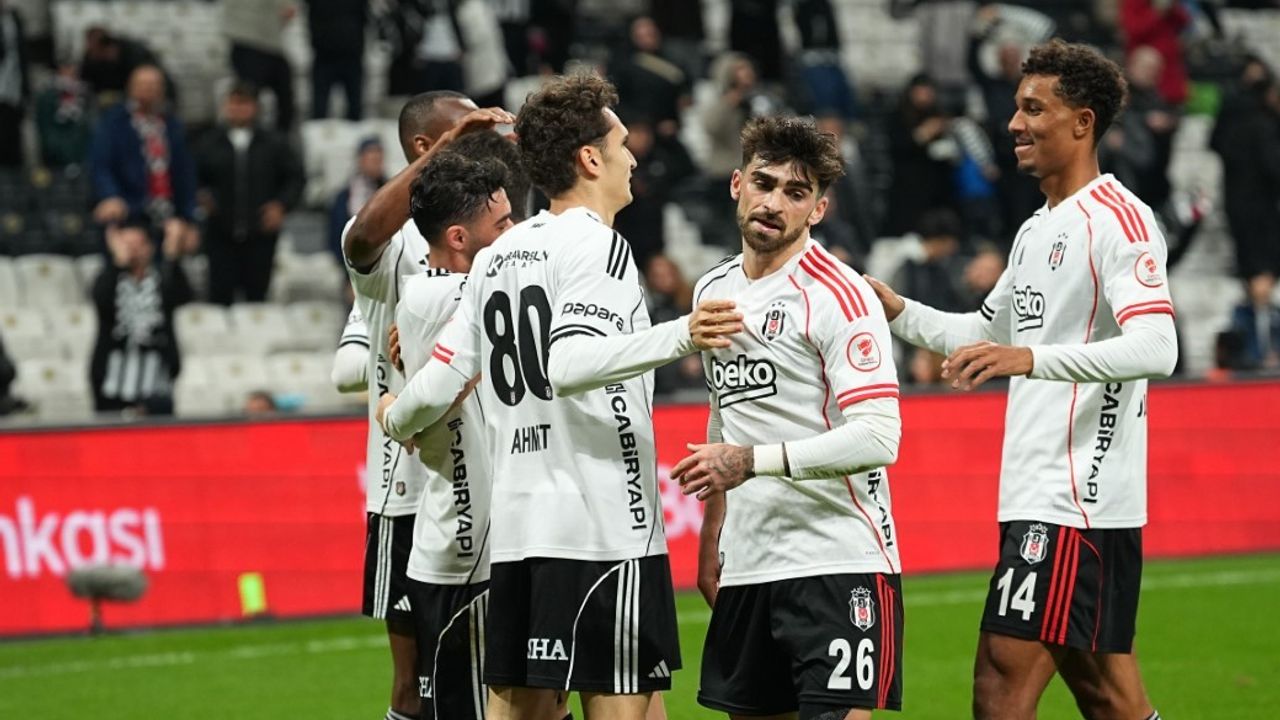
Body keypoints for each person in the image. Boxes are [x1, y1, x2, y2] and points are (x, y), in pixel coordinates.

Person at [377, 73, 741, 720]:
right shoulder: (600, 246)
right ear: (590, 158)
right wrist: (682, 333)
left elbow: (437, 383)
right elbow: (568, 364)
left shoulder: (500, 253)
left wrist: (392, 415)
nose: (633, 159)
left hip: (519, 532)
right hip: (604, 526)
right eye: (621, 145)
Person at [865, 40, 1175, 720]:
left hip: (1077, 502)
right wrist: (897, 309)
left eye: (1034, 108)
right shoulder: (1036, 230)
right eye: (1016, 107)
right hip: (1038, 493)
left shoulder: (1119, 221)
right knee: (1109, 699)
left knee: (1000, 688)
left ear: (1083, 122)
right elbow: (985, 334)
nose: (1014, 123)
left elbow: (1159, 346)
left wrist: (1033, 359)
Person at [670, 116, 904, 720]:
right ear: (736, 184)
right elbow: (724, 414)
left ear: (817, 210)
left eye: (795, 193)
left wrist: (751, 463)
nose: (774, 203)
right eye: (764, 183)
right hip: (749, 563)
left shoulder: (838, 295)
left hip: (837, 558)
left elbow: (880, 436)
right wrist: (714, 533)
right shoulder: (712, 290)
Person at [340, 87, 508, 720]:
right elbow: (359, 240)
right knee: (416, 684)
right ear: (424, 144)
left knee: (507, 676)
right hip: (407, 486)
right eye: (461, 130)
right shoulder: (393, 238)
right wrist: (450, 146)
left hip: (489, 475)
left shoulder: (488, 223)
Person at [394, 151, 516, 720]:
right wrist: (394, 415)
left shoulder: (452, 294)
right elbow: (447, 384)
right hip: (464, 545)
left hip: (496, 541)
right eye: (503, 224)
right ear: (460, 238)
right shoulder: (436, 296)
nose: (517, 233)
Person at [196, 81, 304, 304]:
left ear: (255, 107)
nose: (237, 109)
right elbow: (193, 177)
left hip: (260, 235)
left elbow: (295, 178)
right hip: (220, 234)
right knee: (219, 299)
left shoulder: (275, 142)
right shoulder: (208, 142)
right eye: (233, 103)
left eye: (244, 103)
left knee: (257, 301)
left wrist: (281, 205)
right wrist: (202, 196)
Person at [88, 64, 197, 250]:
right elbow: (100, 165)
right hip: (130, 209)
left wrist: (189, 217)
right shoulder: (114, 123)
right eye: (143, 84)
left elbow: (185, 172)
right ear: (130, 88)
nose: (148, 89)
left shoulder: (172, 125)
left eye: (154, 85)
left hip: (168, 210)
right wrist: (110, 195)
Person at [90, 218, 192, 415]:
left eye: (138, 245)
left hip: (156, 379)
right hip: (113, 379)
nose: (133, 251)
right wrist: (117, 263)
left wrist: (172, 256)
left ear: (150, 248)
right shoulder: (109, 278)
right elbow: (101, 301)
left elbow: (183, 296)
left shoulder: (161, 279)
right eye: (127, 245)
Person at [224, 0, 297, 132]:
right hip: (247, 42)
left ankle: (278, 139)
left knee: (285, 99)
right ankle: (247, 139)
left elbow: (288, 12)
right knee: (247, 98)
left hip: (271, 44)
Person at [330, 136, 386, 266]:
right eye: (372, 160)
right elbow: (336, 234)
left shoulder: (390, 191)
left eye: (378, 160)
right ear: (361, 160)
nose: (376, 165)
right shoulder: (344, 197)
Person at [0, 0, 30, 168]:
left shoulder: (14, 18)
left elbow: (22, 56)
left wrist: (26, 90)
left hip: (14, 91)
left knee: (13, 144)